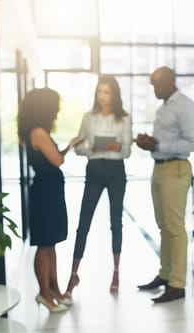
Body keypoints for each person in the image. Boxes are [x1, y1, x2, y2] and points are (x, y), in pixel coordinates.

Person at [135, 66, 194, 303]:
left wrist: (158, 146)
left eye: (157, 85)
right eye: (152, 85)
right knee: (163, 226)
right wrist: (149, 144)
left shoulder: (185, 106)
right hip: (160, 168)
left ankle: (177, 284)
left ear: (171, 81)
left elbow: (192, 144)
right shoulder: (165, 107)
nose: (154, 89)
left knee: (175, 228)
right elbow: (163, 141)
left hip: (176, 168)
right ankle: (165, 274)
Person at [65, 75, 132, 295]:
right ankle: (74, 275)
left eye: (107, 92)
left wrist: (117, 146)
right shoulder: (88, 117)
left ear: (114, 94)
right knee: (84, 221)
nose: (102, 96)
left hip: (115, 171)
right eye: (99, 91)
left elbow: (127, 151)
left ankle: (116, 271)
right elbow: (79, 147)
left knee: (116, 222)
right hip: (94, 169)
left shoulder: (123, 119)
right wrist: (90, 147)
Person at [17, 87, 83, 313]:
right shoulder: (38, 133)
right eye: (54, 107)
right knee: (45, 246)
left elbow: (53, 158)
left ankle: (53, 290)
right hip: (46, 192)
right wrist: (65, 150)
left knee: (50, 243)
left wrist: (70, 146)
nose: (56, 112)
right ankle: (44, 294)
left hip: (48, 190)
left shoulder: (35, 132)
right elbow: (56, 161)